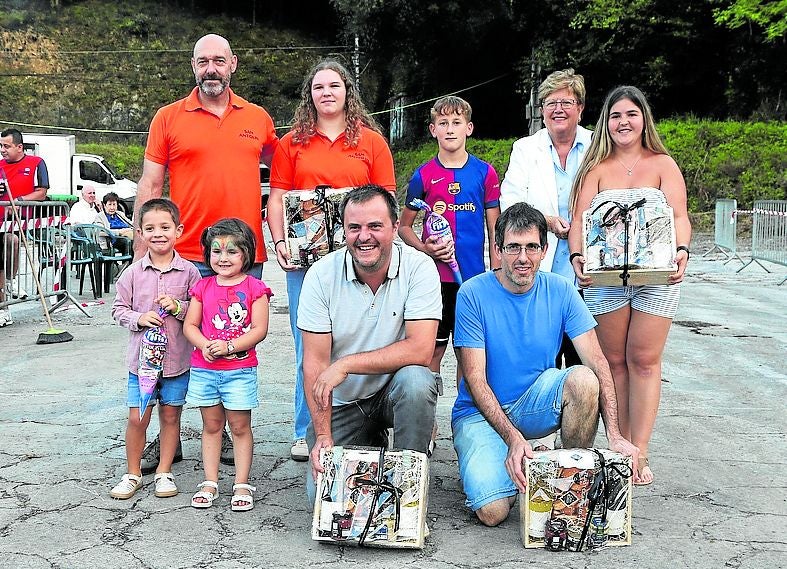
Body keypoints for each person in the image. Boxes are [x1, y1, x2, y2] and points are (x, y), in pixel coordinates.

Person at [135, 33, 278, 471]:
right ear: (193, 66)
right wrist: (143, 252)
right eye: (202, 62)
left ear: (233, 64)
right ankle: (169, 439)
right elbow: (151, 186)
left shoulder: (258, 118)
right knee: (169, 346)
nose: (210, 69)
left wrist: (289, 233)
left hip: (242, 254)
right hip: (188, 253)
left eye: (218, 60)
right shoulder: (168, 117)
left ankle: (232, 430)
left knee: (234, 342)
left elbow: (287, 177)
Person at [451, 202, 638, 527]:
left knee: (582, 380)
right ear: (498, 249)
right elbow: (475, 380)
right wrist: (512, 439)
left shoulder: (561, 290)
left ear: (544, 249)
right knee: (494, 513)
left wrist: (616, 435)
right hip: (480, 413)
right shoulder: (472, 294)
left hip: (533, 404)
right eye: (513, 247)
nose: (523, 258)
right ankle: (510, 462)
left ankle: (568, 473)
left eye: (531, 247)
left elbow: (598, 362)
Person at [267, 59, 395, 462]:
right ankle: (307, 428)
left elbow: (386, 200)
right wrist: (280, 241)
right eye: (318, 86)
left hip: (361, 256)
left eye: (334, 85)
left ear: (347, 92)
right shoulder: (291, 144)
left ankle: (363, 420)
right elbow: (276, 198)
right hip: (307, 264)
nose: (326, 92)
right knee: (310, 348)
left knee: (360, 340)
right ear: (310, 94)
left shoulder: (372, 141)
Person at [568, 85, 691, 486]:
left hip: (657, 279)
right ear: (606, 121)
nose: (623, 122)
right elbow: (579, 224)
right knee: (614, 363)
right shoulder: (595, 168)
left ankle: (642, 449)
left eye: (631, 115)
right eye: (616, 115)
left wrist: (683, 250)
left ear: (643, 120)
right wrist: (577, 258)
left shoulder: (663, 164)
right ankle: (620, 447)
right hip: (606, 281)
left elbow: (679, 217)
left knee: (644, 361)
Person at [298, 185, 441, 487]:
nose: (364, 236)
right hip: (343, 404)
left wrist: (346, 364)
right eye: (354, 227)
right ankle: (369, 441)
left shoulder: (419, 267)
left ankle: (409, 485)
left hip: (392, 392)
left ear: (394, 228)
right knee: (325, 504)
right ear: (344, 231)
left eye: (375, 226)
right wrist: (323, 434)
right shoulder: (321, 276)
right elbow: (313, 364)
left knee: (418, 381)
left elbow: (421, 350)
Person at [399, 95, 500, 391]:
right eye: (443, 123)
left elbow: (496, 229)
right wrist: (424, 249)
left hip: (474, 280)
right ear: (433, 130)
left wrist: (496, 273)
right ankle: (428, 429)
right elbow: (404, 227)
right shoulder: (424, 175)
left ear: (469, 128)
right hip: (435, 281)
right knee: (431, 352)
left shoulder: (485, 173)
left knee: (469, 355)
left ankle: (464, 422)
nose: (450, 129)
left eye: (457, 122)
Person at [499, 68, 591, 370]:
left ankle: (581, 419)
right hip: (543, 270)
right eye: (550, 103)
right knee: (542, 362)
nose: (558, 109)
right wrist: (546, 221)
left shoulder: (597, 147)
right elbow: (510, 202)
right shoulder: (525, 149)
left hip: (588, 272)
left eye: (566, 102)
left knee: (583, 365)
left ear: (580, 107)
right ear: (541, 110)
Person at [110, 198, 201, 500]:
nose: (158, 233)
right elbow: (118, 308)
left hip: (176, 363)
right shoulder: (133, 273)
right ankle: (132, 472)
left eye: (165, 227)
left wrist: (179, 307)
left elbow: (198, 310)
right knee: (138, 418)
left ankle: (164, 471)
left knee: (171, 417)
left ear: (179, 230)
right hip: (141, 365)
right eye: (150, 228)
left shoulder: (189, 272)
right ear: (139, 232)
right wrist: (138, 318)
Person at [183, 218, 272, 511]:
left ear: (246, 253)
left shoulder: (255, 288)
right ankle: (210, 481)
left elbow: (259, 329)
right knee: (211, 426)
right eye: (217, 251)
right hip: (205, 370)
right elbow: (190, 325)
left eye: (232, 251)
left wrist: (230, 346)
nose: (223, 258)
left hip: (239, 372)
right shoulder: (202, 286)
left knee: (240, 426)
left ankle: (242, 482)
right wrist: (203, 344)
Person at [0, 128, 49, 322]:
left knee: (10, 244)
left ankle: (9, 287)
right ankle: (4, 307)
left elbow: (42, 193)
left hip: (20, 222)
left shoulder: (36, 163)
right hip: (0, 220)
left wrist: (20, 201)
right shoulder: (0, 165)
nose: (2, 150)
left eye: (6, 146)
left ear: (19, 147)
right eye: (0, 146)